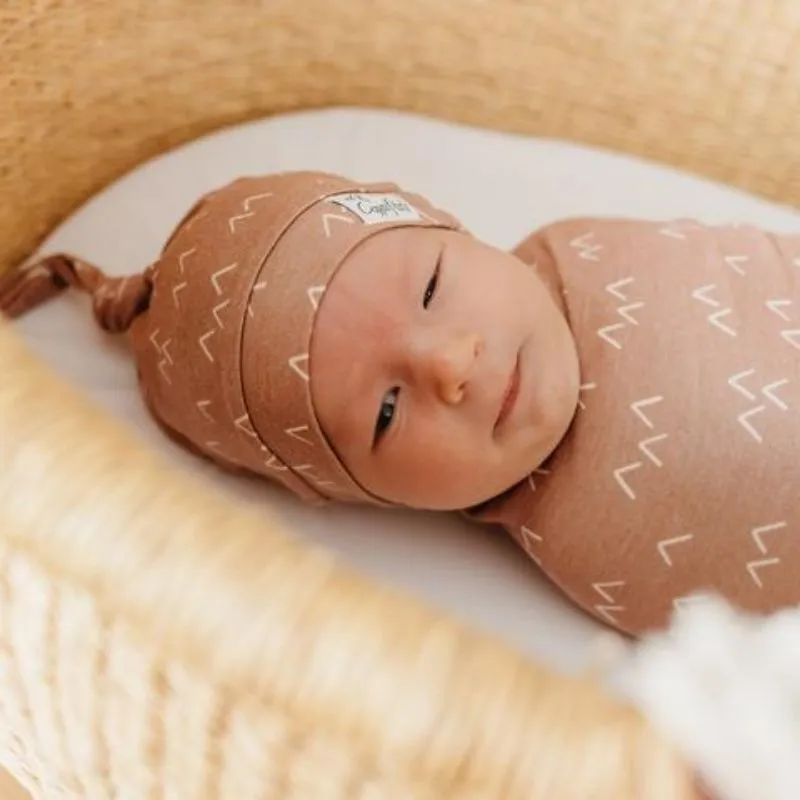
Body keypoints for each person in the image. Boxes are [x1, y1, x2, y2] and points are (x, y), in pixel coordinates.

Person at [3, 170, 798, 636]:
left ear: (455, 230)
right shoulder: (588, 550)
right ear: (368, 496)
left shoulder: (587, 246)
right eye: (386, 413)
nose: (452, 364)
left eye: (431, 286)